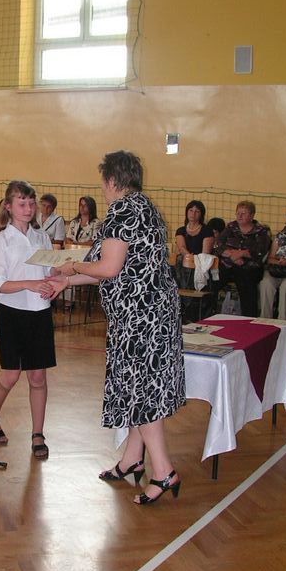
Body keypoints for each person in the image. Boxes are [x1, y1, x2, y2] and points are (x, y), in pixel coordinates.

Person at [50, 151, 185, 505]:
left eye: (103, 182)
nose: (102, 189)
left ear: (111, 180)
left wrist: (72, 266)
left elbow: (107, 268)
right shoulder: (147, 207)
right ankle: (132, 459)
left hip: (139, 319)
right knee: (139, 388)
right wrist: (68, 281)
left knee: (140, 393)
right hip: (154, 313)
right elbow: (116, 268)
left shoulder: (122, 211)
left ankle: (164, 472)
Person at [0, 181, 56, 460]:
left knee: (38, 377)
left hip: (40, 312)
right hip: (12, 314)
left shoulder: (42, 238)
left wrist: (54, 280)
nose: (28, 208)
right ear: (9, 207)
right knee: (11, 375)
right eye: (21, 203)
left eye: (31, 203)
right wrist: (29, 284)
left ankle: (38, 434)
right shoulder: (0, 242)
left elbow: (49, 272)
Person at [215, 201, 270, 317]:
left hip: (250, 267)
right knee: (213, 280)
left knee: (246, 283)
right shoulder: (231, 227)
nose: (239, 216)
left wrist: (242, 253)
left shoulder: (261, 231)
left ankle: (248, 318)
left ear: (252, 215)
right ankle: (209, 314)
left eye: (243, 213)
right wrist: (232, 256)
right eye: (238, 213)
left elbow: (260, 251)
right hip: (229, 264)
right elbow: (219, 245)